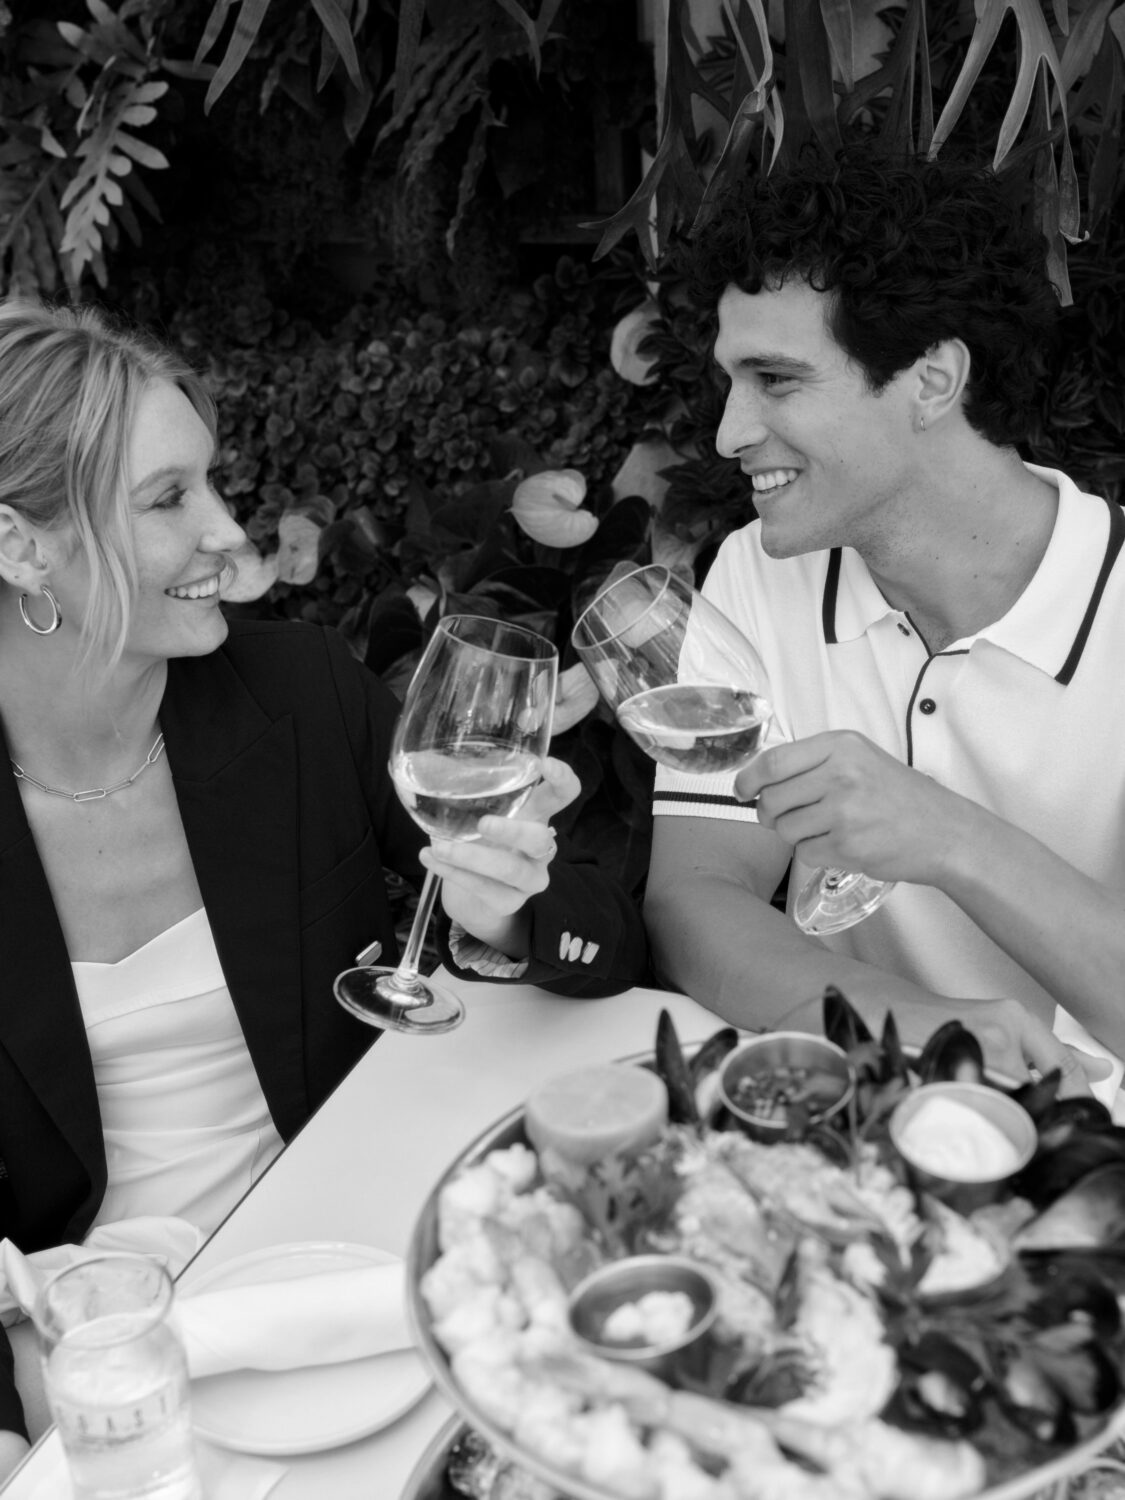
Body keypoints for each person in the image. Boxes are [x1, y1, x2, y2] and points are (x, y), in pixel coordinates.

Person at [0, 298, 649, 1468]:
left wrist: (499, 912)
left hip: (360, 1261)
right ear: (18, 546)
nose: (228, 534)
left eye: (209, 484)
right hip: (110, 1364)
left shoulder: (295, 696)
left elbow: (602, 934)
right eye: (165, 501)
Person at [644, 147, 1124, 1100]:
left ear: (932, 380)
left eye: (775, 380)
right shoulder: (758, 572)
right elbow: (695, 894)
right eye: (730, 382)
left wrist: (945, 836)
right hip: (855, 1114)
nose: (728, 432)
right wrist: (918, 1024)